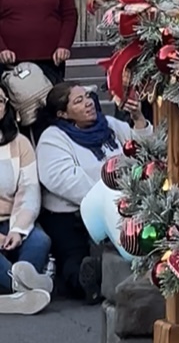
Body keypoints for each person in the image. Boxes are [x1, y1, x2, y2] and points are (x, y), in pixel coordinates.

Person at [35, 83, 150, 302]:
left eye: (87, 97)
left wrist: (138, 120)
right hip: (72, 214)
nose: (88, 102)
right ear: (63, 113)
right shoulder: (53, 138)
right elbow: (64, 179)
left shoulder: (111, 126)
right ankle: (85, 283)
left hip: (123, 203)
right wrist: (107, 197)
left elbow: (145, 151)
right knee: (74, 260)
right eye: (78, 101)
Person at [0, 82, 51, 314]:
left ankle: (17, 291)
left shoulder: (19, 143)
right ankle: (23, 288)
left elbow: (29, 189)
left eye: (0, 101)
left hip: (12, 220)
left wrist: (18, 230)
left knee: (39, 240)